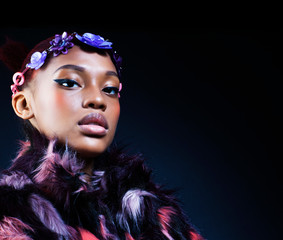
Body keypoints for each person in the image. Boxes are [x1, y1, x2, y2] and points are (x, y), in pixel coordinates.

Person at [0, 31, 204, 240]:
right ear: (24, 104)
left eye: (110, 89)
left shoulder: (154, 211)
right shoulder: (7, 214)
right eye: (70, 83)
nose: (98, 99)